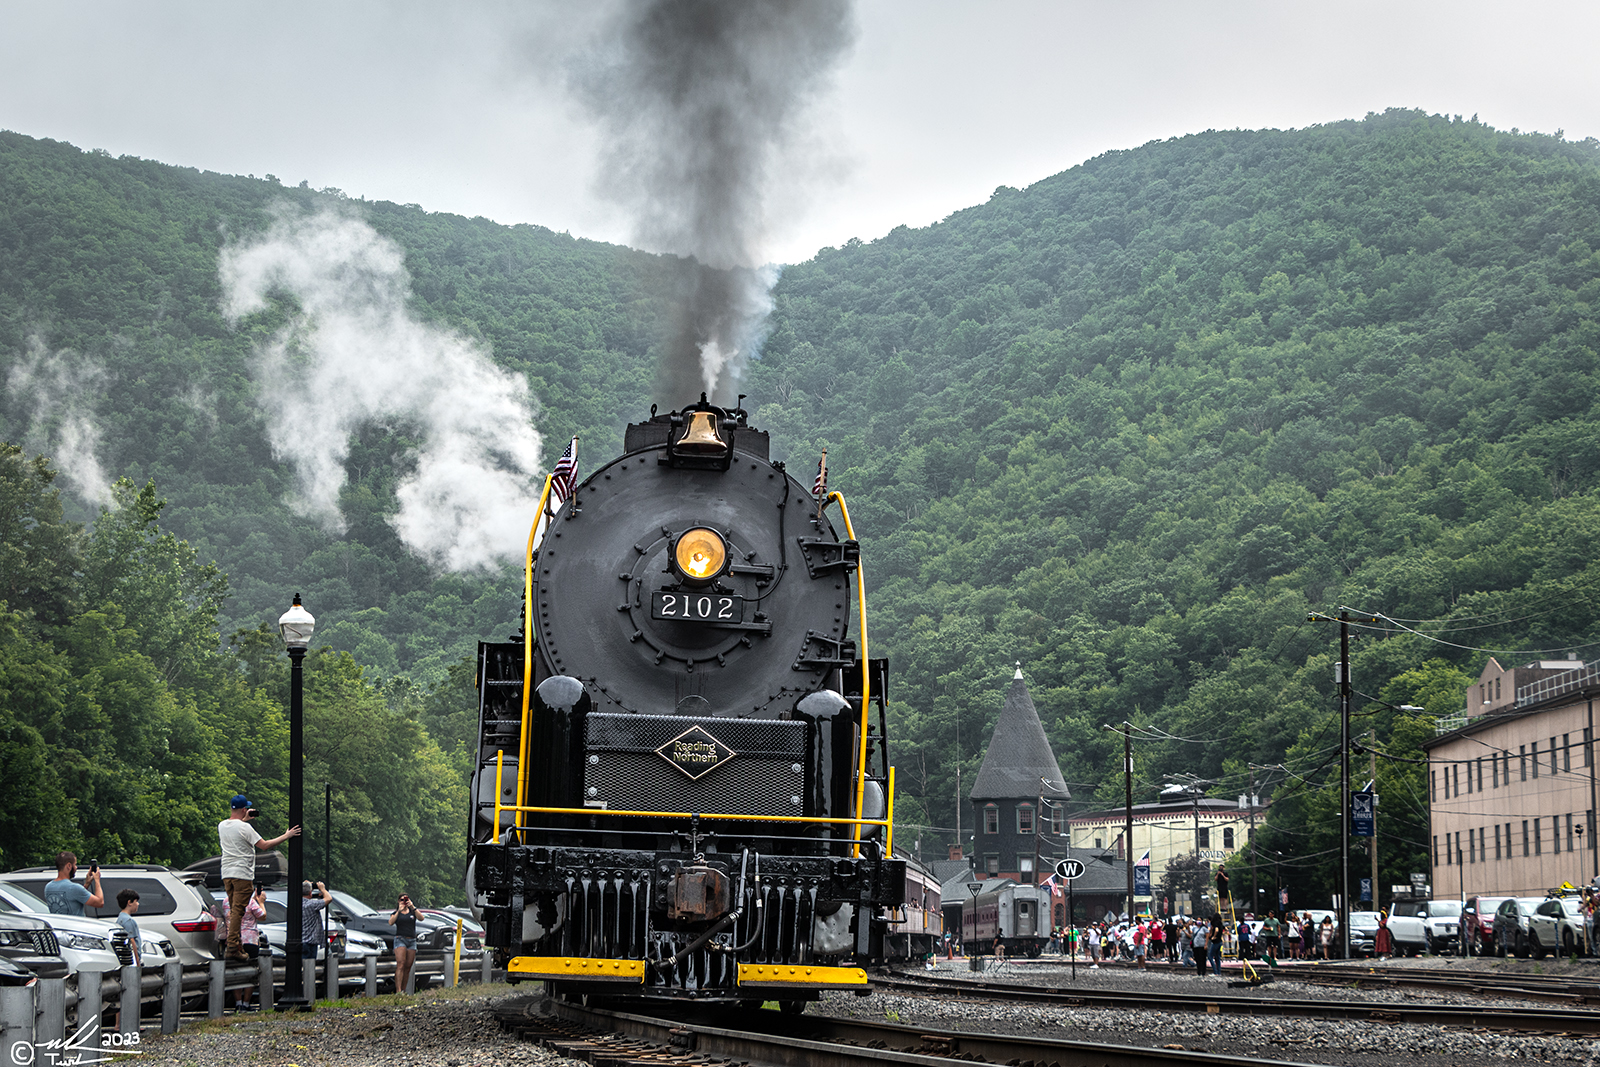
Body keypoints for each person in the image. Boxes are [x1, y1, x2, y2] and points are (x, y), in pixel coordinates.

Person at [219, 795, 301, 961]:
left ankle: (236, 944)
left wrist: (244, 820)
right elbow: (264, 845)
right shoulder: (245, 828)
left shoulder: (222, 825)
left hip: (227, 873)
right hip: (242, 874)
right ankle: (233, 946)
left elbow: (237, 830)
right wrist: (287, 835)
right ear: (244, 810)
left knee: (234, 910)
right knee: (238, 910)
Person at [234, 885, 267, 1011]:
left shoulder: (227, 901)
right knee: (251, 972)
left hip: (235, 940)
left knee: (236, 972)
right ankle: (246, 1004)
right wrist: (261, 902)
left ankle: (238, 1003)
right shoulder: (251, 902)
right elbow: (262, 916)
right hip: (250, 940)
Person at [112, 888, 141, 1032]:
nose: (138, 905)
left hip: (123, 960)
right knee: (130, 993)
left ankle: (119, 1024)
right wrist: (137, 961)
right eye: (136, 902)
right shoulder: (128, 921)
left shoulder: (120, 918)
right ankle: (127, 1023)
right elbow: (132, 942)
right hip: (131, 961)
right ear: (129, 902)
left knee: (123, 992)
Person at [390, 892, 421, 993]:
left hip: (411, 940)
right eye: (402, 900)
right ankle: (398, 990)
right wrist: (399, 910)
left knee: (408, 966)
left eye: (406, 899)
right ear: (398, 901)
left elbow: (421, 918)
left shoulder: (412, 912)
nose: (404, 902)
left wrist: (412, 906)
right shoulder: (396, 913)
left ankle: (403, 989)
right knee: (401, 964)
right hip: (400, 939)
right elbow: (391, 922)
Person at [300, 880, 333, 968]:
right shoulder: (311, 904)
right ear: (310, 892)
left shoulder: (296, 903)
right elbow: (329, 898)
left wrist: (304, 885)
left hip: (300, 941)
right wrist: (323, 889)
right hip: (310, 943)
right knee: (309, 969)